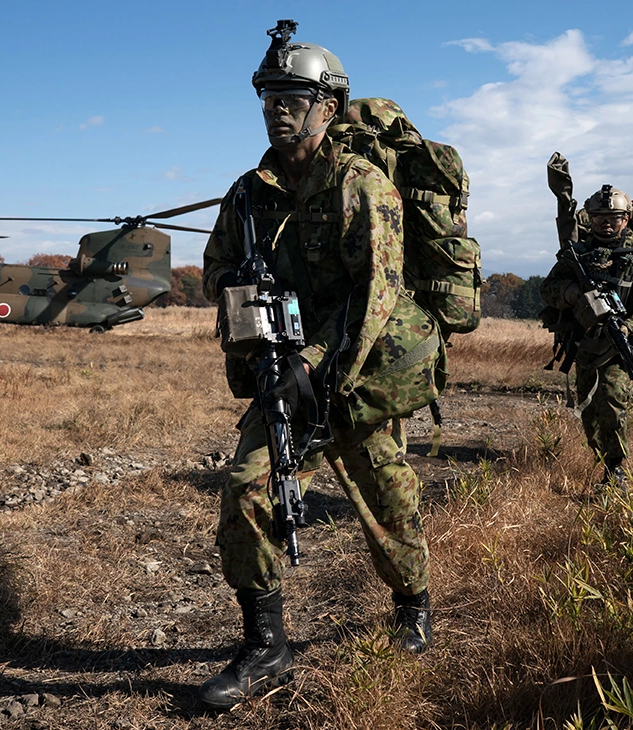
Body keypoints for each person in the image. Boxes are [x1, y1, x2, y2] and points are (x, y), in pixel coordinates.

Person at [198, 22, 434, 709]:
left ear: (327, 107)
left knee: (386, 503)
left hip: (354, 373)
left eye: (292, 95)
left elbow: (378, 292)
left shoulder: (360, 184)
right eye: (269, 94)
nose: (276, 106)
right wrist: (250, 305)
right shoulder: (249, 192)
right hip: (282, 374)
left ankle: (413, 606)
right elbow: (216, 269)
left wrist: (318, 362)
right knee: (245, 488)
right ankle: (265, 646)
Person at [539, 185, 633, 486]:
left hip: (618, 344)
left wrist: (630, 329)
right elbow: (548, 289)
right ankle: (602, 456)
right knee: (588, 409)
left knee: (612, 401)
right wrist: (572, 292)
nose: (606, 223)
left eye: (614, 217)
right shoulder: (577, 254)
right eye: (599, 217)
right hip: (584, 343)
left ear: (626, 219)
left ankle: (615, 468)